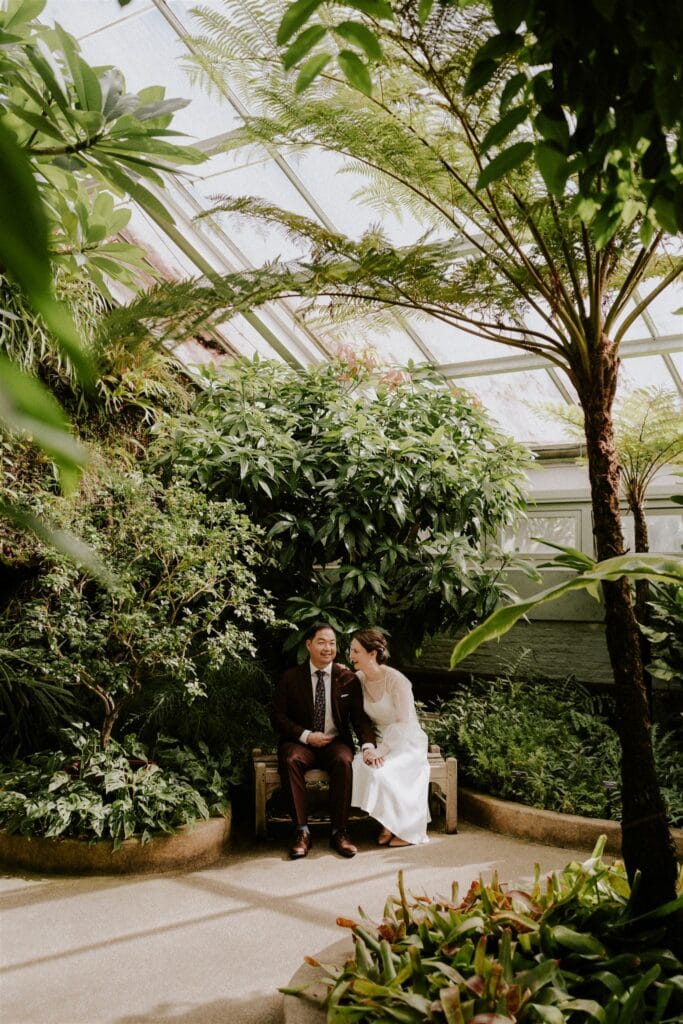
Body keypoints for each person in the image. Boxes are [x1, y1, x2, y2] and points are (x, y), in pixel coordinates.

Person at [271, 621, 376, 859]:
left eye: (332, 643)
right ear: (308, 645)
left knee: (343, 760)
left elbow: (360, 718)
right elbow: (277, 716)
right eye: (322, 642)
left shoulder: (347, 678)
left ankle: (340, 831)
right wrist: (306, 735)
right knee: (289, 759)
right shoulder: (290, 678)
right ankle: (302, 832)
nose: (328, 648)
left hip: (334, 742)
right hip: (301, 742)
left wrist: (368, 745)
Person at [350, 629, 430, 847]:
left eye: (356, 651)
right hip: (377, 740)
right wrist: (369, 749)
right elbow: (359, 719)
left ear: (372, 653)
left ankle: (403, 829)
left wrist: (382, 750)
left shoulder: (397, 681)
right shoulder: (358, 679)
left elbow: (403, 723)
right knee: (363, 766)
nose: (351, 656)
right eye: (351, 651)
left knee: (386, 772)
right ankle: (386, 822)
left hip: (406, 741)